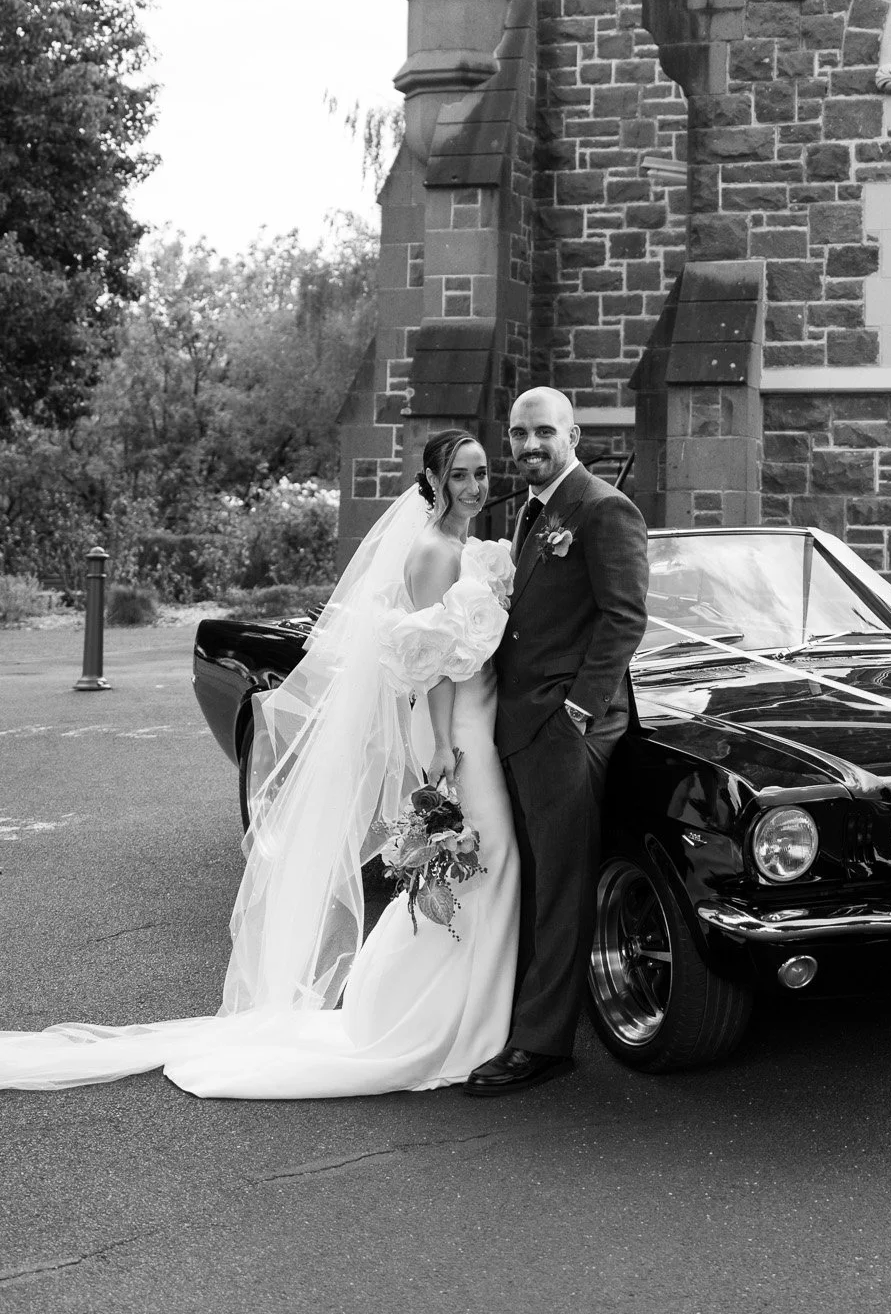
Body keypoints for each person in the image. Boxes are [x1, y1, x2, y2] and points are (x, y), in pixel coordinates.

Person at [0, 432, 520, 1097]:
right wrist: (443, 750)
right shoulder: (431, 554)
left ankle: (463, 1013)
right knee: (479, 862)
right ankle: (424, 1020)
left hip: (474, 721)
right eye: (460, 475)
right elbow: (436, 663)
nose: (474, 486)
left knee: (475, 868)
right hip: (455, 732)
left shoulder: (464, 549)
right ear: (433, 480)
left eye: (480, 474)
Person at [464, 386, 649, 1096]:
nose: (529, 445)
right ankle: (519, 1017)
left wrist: (577, 710)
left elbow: (623, 619)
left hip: (564, 730)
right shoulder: (531, 512)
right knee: (531, 880)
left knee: (561, 889)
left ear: (572, 433)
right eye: (517, 434)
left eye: (543, 431)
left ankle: (543, 1046)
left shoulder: (603, 509)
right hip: (517, 724)